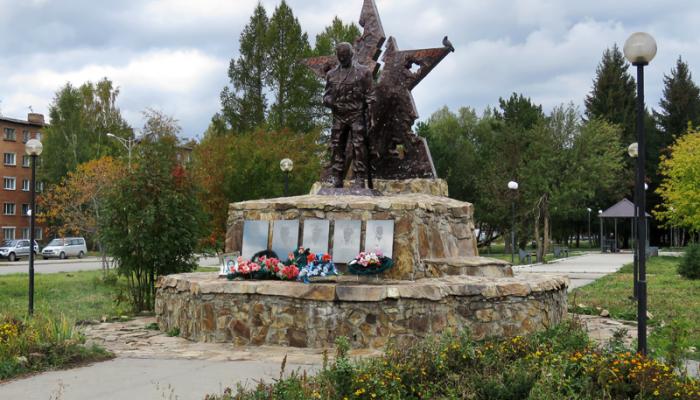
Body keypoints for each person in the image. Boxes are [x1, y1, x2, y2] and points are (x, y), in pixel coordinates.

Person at [323, 42, 374, 188]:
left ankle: (359, 178)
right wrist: (331, 102)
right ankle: (337, 177)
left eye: (345, 56)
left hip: (357, 114)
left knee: (359, 146)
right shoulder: (331, 75)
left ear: (351, 54)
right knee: (337, 146)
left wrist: (371, 116)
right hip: (339, 115)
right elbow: (325, 97)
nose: (342, 59)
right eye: (340, 56)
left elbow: (371, 96)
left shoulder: (364, 72)